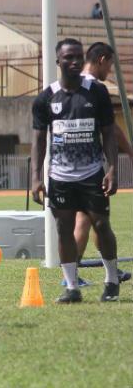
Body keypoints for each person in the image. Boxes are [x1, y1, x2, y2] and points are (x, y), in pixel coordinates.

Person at [31, 38, 120, 304]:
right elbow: (38, 140)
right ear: (58, 61)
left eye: (78, 57)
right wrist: (36, 177)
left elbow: (108, 133)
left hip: (92, 173)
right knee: (63, 229)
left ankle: (112, 280)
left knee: (102, 225)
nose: (74, 62)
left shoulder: (97, 92)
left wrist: (112, 168)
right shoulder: (46, 97)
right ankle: (72, 288)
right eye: (68, 58)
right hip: (60, 177)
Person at [61, 42, 132, 287]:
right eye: (110, 65)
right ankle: (70, 276)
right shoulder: (94, 88)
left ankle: (108, 270)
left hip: (68, 163)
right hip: (88, 165)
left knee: (96, 221)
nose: (109, 71)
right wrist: (130, 152)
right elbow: (110, 128)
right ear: (101, 59)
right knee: (87, 218)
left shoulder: (69, 84)